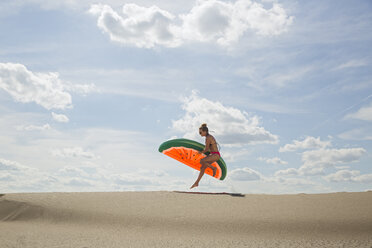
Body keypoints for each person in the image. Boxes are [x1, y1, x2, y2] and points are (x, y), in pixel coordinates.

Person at [190, 123, 221, 189]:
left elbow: (206, 149)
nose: (200, 134)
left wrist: (200, 152)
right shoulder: (208, 137)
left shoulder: (208, 138)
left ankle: (213, 168)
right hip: (213, 155)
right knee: (202, 168)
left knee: (202, 161)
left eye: (200, 132)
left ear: (204, 131)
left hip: (215, 155)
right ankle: (196, 183)